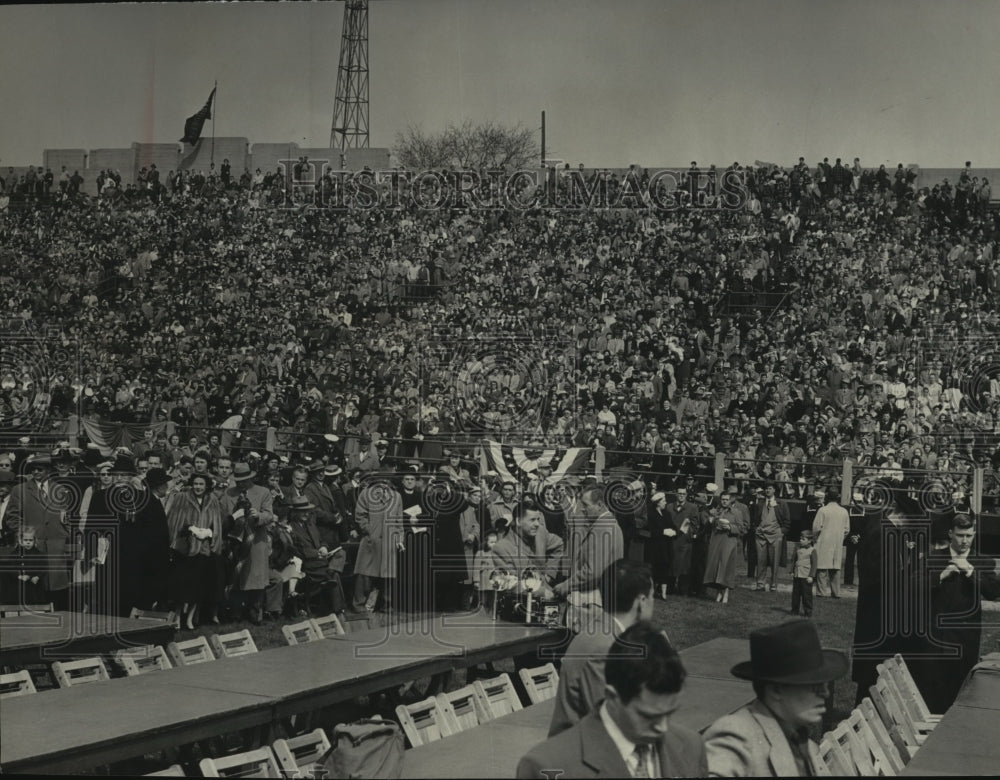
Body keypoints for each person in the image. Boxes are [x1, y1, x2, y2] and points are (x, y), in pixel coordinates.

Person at [518, 621, 706, 779]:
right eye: (648, 716)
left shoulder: (691, 747)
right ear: (611, 696)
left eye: (669, 713)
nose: (662, 728)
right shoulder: (548, 766)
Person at [703, 620, 849, 776]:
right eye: (814, 686)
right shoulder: (738, 734)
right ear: (776, 690)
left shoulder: (805, 745)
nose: (825, 694)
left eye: (826, 685)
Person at [549, 559, 657, 736]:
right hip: (581, 752)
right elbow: (609, 724)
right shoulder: (604, 648)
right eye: (652, 596)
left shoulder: (605, 632)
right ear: (642, 601)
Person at [906, 513, 1000, 713]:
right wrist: (940, 576)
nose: (964, 540)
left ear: (974, 534)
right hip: (934, 639)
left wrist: (970, 572)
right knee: (930, 693)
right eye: (960, 535)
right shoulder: (933, 557)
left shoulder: (981, 561)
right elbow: (912, 586)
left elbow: (994, 592)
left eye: (969, 535)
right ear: (950, 534)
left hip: (965, 641)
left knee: (961, 693)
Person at [554, 480, 624, 633]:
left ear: (599, 505)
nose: (582, 510)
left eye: (585, 506)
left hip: (591, 601)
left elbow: (592, 571)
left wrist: (565, 585)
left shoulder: (602, 528)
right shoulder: (609, 524)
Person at [165, 473, 222, 629]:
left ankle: (190, 618)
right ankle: (177, 618)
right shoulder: (182, 497)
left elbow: (217, 523)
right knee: (181, 587)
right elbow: (173, 521)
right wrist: (190, 528)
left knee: (199, 587)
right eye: (196, 483)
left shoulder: (213, 500)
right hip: (185, 549)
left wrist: (210, 533)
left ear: (206, 486)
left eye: (201, 484)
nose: (198, 487)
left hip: (204, 549)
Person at [702, 489, 748, 605]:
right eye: (722, 499)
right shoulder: (715, 511)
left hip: (729, 541)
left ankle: (726, 591)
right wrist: (710, 520)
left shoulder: (736, 513)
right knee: (717, 567)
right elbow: (707, 528)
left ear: (730, 501)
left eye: (726, 500)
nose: (724, 502)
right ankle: (719, 591)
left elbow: (742, 529)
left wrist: (730, 527)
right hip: (716, 540)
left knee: (726, 566)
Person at [812, 487, 849, 598]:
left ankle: (821, 592)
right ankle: (836, 592)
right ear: (838, 497)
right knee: (835, 568)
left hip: (823, 540)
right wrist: (840, 538)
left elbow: (816, 528)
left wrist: (815, 538)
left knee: (822, 568)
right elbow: (847, 529)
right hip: (837, 541)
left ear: (827, 497)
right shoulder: (844, 511)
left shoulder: (823, 510)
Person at [753, 483, 790, 592]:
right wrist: (755, 529)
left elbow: (787, 522)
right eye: (766, 488)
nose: (767, 490)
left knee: (775, 561)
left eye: (769, 488)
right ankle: (760, 584)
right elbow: (755, 519)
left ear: (774, 490)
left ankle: (773, 585)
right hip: (761, 536)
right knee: (760, 560)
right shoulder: (760, 503)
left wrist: (781, 532)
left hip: (775, 536)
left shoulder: (782, 503)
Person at [789, 531, 817, 617]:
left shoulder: (812, 550)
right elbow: (794, 560)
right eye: (800, 539)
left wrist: (811, 576)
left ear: (809, 540)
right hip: (797, 575)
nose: (801, 540)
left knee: (806, 595)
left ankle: (808, 612)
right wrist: (792, 571)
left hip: (806, 576)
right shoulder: (797, 549)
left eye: (803, 539)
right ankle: (794, 610)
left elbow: (814, 564)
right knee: (795, 594)